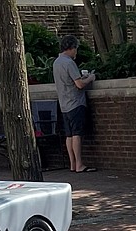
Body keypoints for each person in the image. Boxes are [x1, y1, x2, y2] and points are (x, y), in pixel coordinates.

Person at [53, 35, 97, 173]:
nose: (76, 52)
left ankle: (72, 164)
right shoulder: (69, 63)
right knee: (77, 134)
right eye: (75, 49)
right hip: (75, 103)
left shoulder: (56, 62)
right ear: (71, 48)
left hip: (64, 104)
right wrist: (90, 78)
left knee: (69, 135)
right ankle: (79, 164)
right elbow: (79, 84)